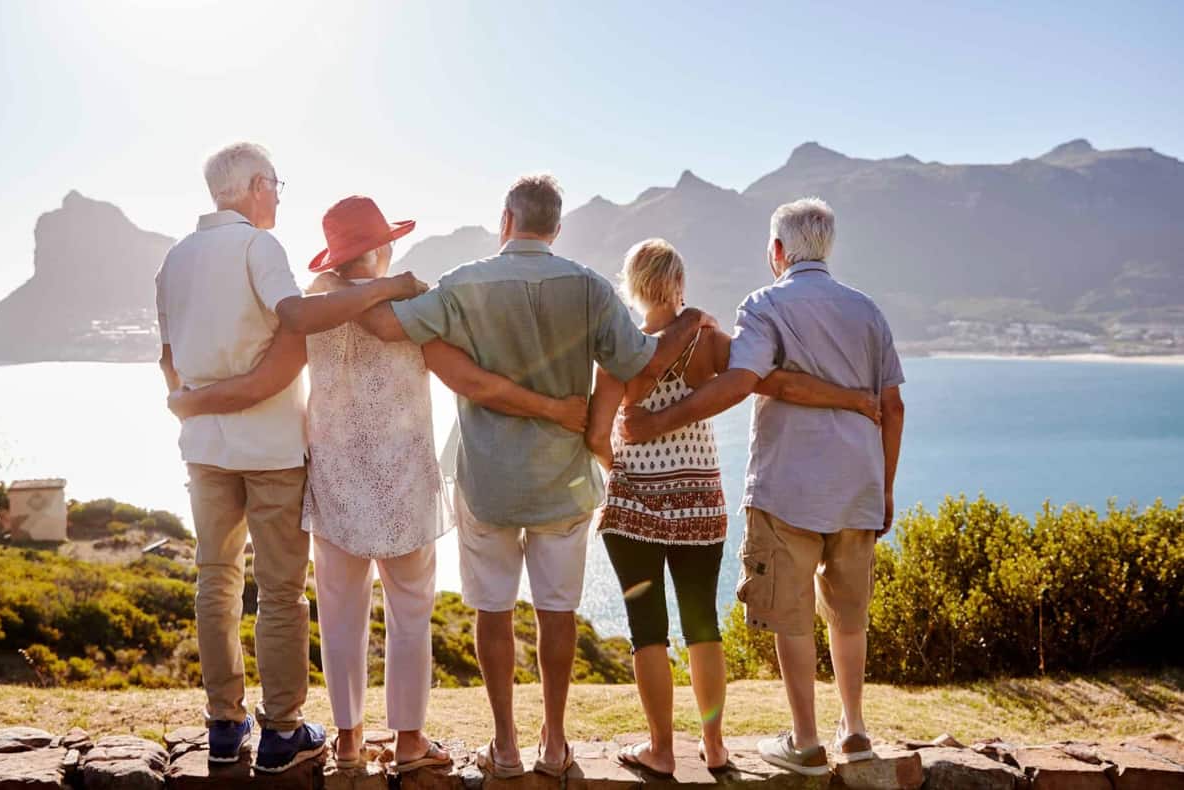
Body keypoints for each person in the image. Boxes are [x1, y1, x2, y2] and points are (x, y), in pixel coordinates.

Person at [168, 195, 587, 773]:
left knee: (340, 615)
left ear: (337, 252)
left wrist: (194, 398)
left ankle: (347, 741)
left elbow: (278, 372)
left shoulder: (312, 303)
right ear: (385, 245)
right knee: (411, 614)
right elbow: (461, 372)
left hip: (336, 481)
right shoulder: (413, 304)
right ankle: (410, 742)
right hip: (404, 485)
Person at [343, 174, 715, 778]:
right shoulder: (592, 287)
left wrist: (372, 283)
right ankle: (555, 743)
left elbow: (387, 327)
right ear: (557, 227)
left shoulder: (463, 283)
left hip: (487, 481)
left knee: (493, 612)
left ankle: (506, 745)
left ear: (506, 220)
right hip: (564, 480)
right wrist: (689, 322)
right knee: (557, 613)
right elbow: (637, 361)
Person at [154, 143, 427, 773]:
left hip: (203, 450)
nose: (278, 194)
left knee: (214, 579)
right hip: (272, 447)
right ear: (253, 185)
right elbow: (298, 317)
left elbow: (168, 358)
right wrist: (390, 285)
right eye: (275, 183)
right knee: (279, 591)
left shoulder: (173, 261)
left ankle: (224, 725)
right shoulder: (258, 247)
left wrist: (190, 404)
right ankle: (281, 731)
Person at [620, 199, 906, 778]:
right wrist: (887, 485)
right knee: (849, 617)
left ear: (777, 251)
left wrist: (653, 424)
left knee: (792, 615)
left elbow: (744, 383)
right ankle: (853, 731)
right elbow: (893, 404)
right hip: (859, 487)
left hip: (786, 489)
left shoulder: (764, 304)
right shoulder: (867, 311)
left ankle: (804, 740)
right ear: (826, 246)